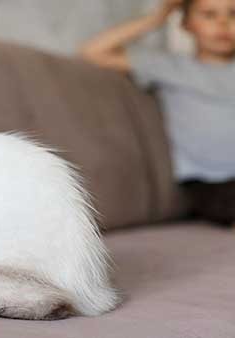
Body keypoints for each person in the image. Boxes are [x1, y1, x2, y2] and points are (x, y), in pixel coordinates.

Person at [80, 0, 235, 227]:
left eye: (233, 13)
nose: (223, 23)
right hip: (209, 180)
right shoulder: (167, 66)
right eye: (209, 15)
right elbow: (91, 52)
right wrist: (156, 19)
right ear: (186, 23)